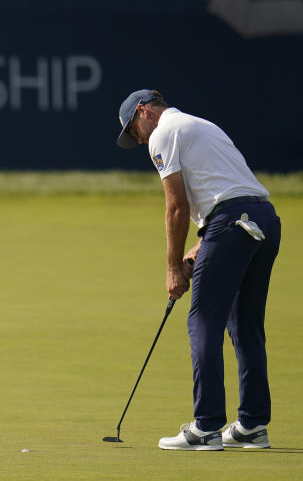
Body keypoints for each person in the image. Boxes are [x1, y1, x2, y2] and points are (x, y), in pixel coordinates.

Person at [116, 89, 281, 451]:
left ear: (144, 111)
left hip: (232, 224)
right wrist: (196, 252)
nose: (138, 138)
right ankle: (252, 425)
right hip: (264, 221)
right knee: (245, 324)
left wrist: (174, 267)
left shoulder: (162, 133)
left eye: (134, 129)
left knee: (203, 320)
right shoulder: (204, 126)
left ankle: (206, 426)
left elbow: (177, 207)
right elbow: (226, 197)